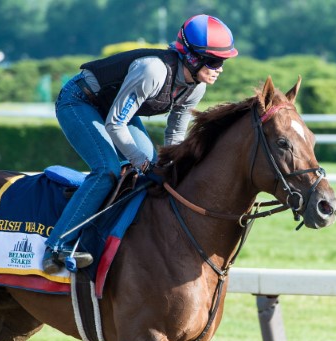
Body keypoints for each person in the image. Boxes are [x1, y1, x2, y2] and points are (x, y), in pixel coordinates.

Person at [42, 14, 238, 274]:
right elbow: (115, 125)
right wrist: (142, 162)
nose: (220, 68)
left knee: (157, 170)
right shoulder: (152, 71)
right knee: (107, 170)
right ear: (192, 57)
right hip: (80, 101)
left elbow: (175, 137)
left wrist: (174, 166)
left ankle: (121, 237)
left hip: (113, 110)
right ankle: (56, 246)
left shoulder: (196, 88)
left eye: (222, 61)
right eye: (214, 61)